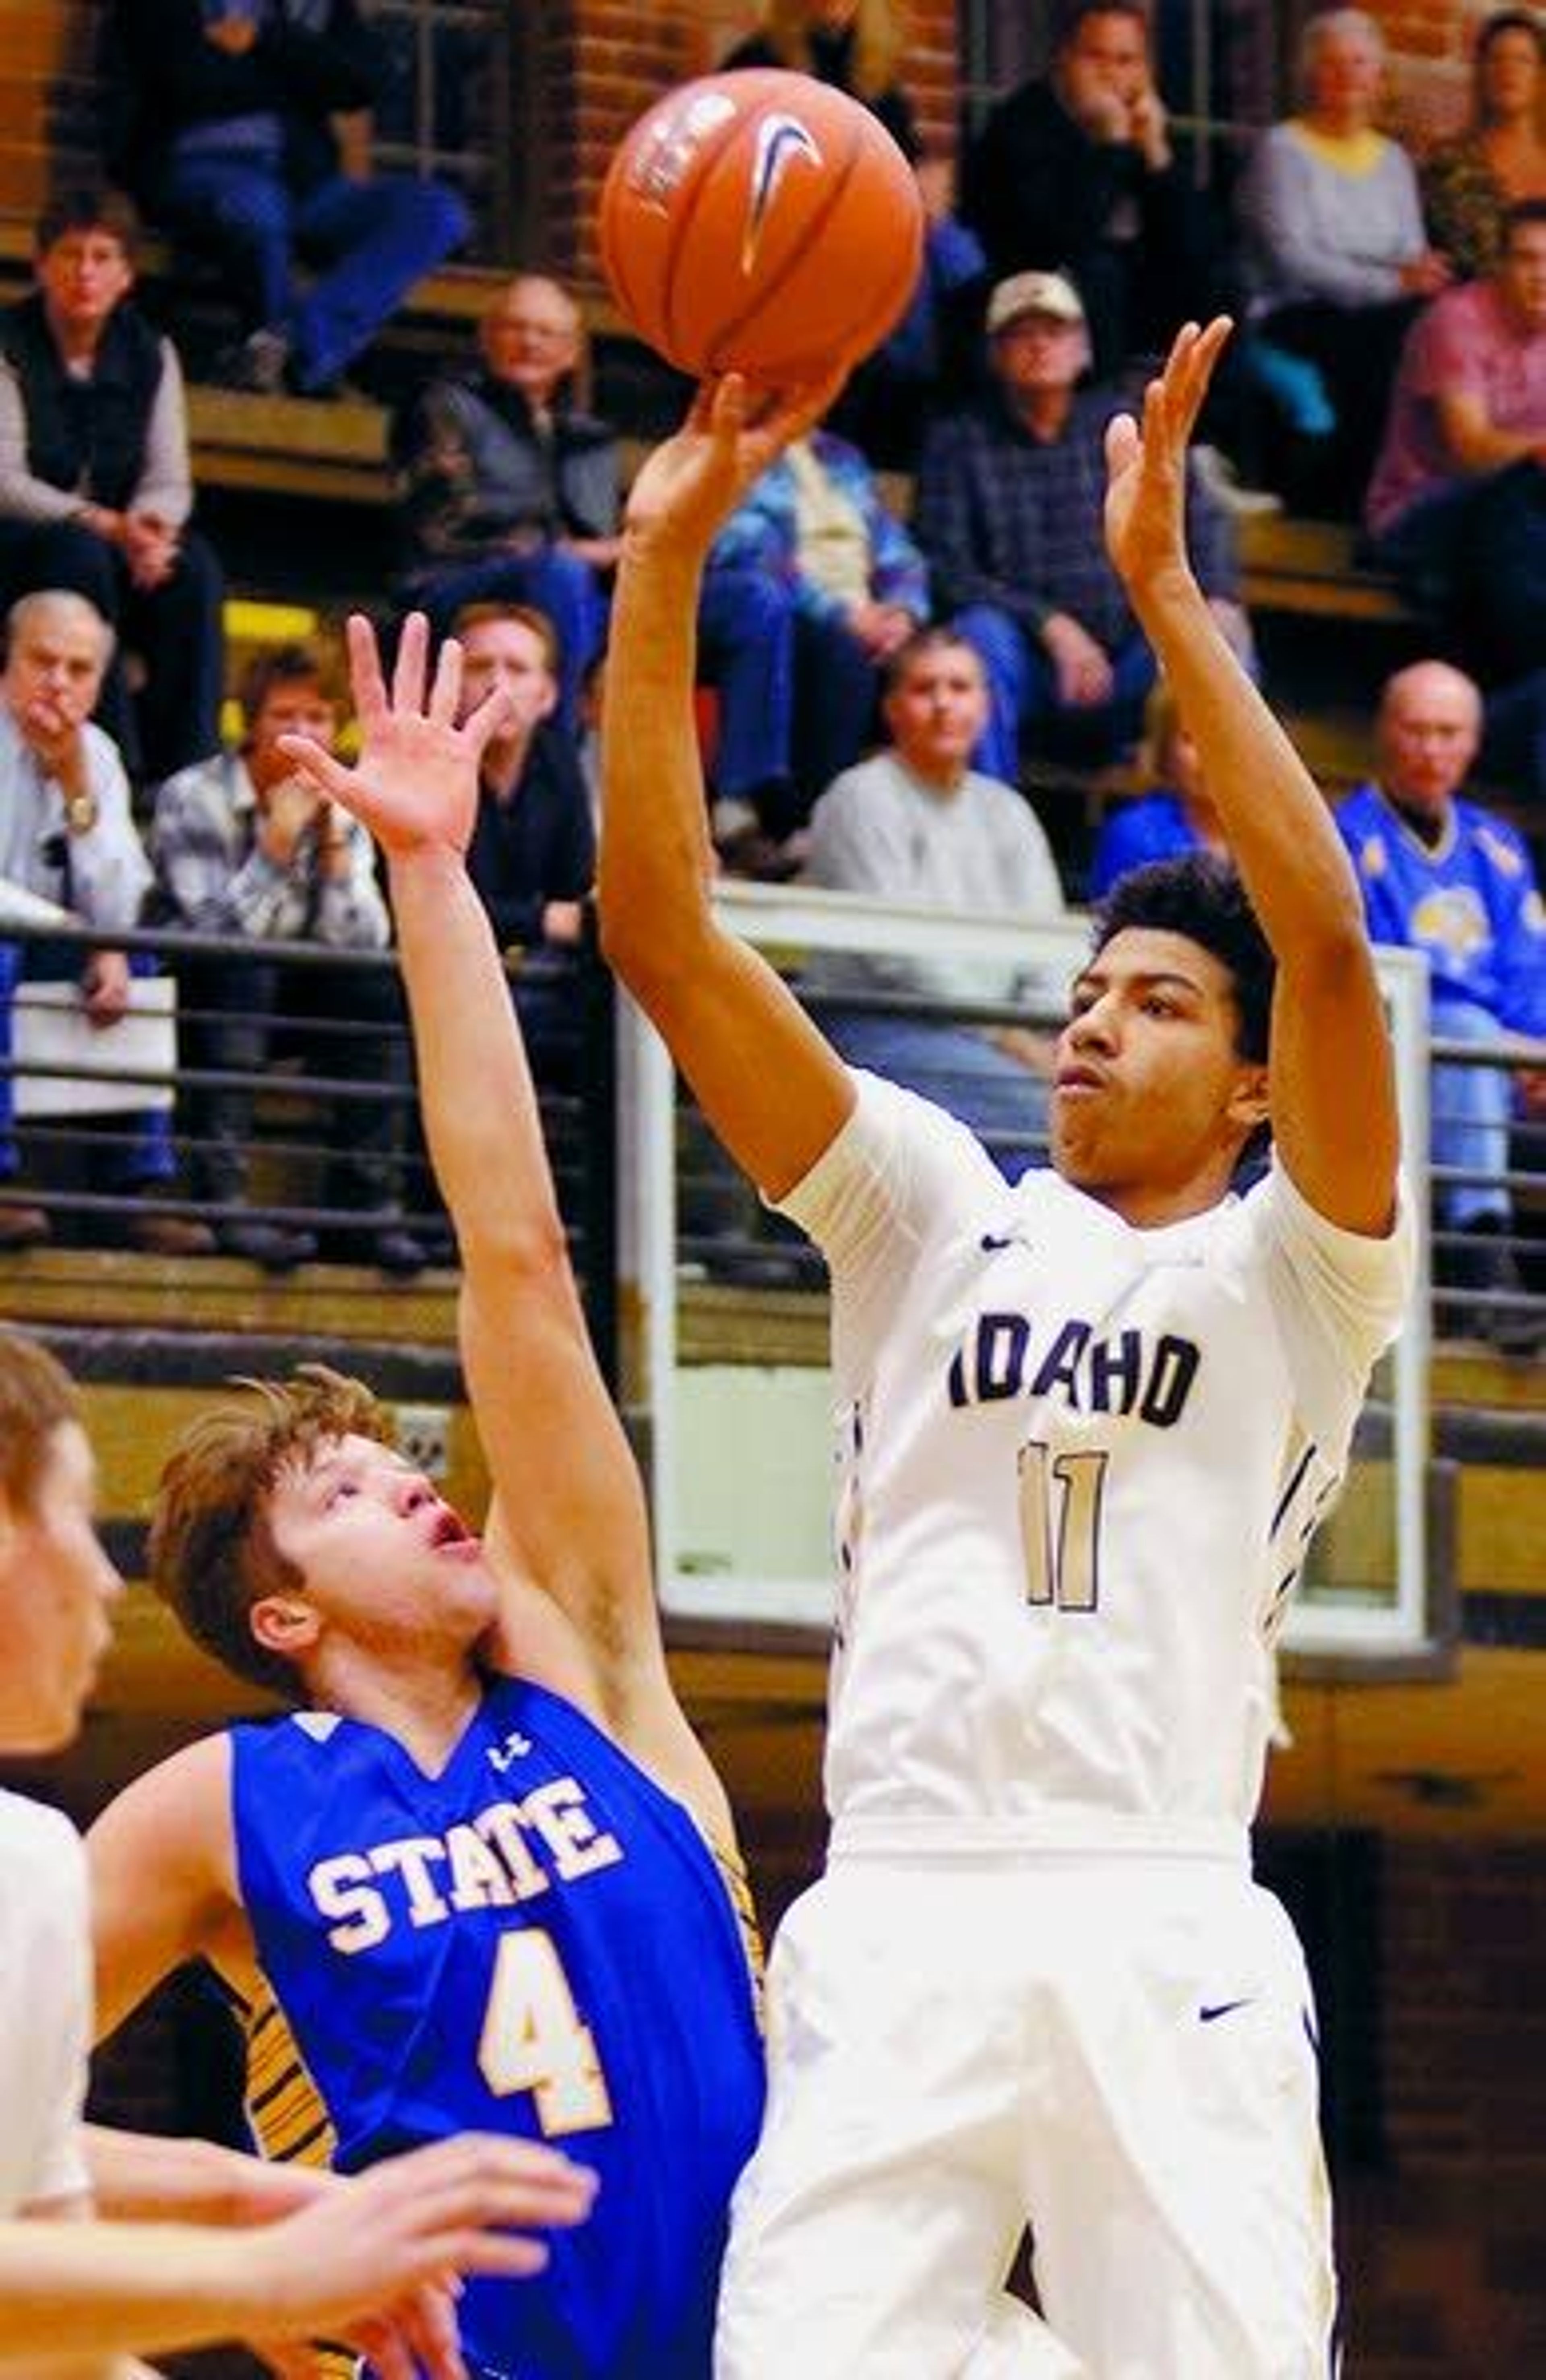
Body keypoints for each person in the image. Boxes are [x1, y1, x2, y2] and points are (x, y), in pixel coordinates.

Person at [597, 323, 1413, 2376]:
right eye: (1082, 989)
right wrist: (663, 567)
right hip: (905, 1896)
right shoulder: (926, 1203)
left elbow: (1322, 941)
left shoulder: (1298, 1278)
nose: (1087, 1023)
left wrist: (1160, 595)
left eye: (1150, 1003)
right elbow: (667, 935)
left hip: (1160, 1910)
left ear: (1249, 1091)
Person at [88, 612, 766, 2380]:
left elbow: (517, 1256)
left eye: (400, 1459)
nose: (413, 1485)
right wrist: (226, 2274)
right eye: (348, 1490)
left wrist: (433, 875)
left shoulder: (591, 1667)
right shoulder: (217, 1805)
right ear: (282, 1609)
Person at [0, 1321, 597, 2377]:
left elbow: (34, 2199)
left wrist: (232, 2201)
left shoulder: (580, 1711)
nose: (104, 1579)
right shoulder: (209, 1804)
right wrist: (257, 2268)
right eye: (78, 1520)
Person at [147, 636, 427, 1275]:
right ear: (252, 722)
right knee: (246, 971)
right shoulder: (194, 796)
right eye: (284, 716)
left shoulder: (346, 804)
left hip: (298, 996)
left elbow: (360, 945)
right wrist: (275, 847)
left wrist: (329, 846)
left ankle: (366, 1210)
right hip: (200, 995)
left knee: (376, 991)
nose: (302, 734)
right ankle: (224, 1200)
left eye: (318, 717)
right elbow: (208, 938)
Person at [915, 268, 1246, 780]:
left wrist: (1220, 598)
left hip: (1137, 661)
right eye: (1021, 334)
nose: (1040, 345)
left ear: (1084, 348)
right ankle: (986, 819)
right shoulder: (958, 443)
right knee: (976, 637)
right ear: (995, 355)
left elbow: (1201, 519)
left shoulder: (1125, 424)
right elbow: (945, 569)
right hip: (1030, 669)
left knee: (1224, 640)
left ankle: (1208, 842)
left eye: (1055, 331)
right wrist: (1050, 625)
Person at [1335, 659, 1546, 1355]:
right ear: (1384, 733)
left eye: (1448, 732)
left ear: (1474, 742)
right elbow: (1375, 974)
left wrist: (1532, 1043)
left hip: (1506, 1058)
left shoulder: (1498, 846)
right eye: (1417, 730)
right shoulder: (1344, 837)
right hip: (1404, 1066)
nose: (1432, 749)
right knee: (1463, 1027)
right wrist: (1499, 1041)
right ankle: (1482, 1268)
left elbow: (1530, 965)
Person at [801, 625, 1065, 1173]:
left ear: (986, 706)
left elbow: (1050, 949)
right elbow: (895, 958)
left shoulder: (1008, 812)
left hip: (1002, 1038)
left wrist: (1049, 1037)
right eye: (925, 689)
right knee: (1043, 1123)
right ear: (894, 708)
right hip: (878, 1026)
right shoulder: (861, 798)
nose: (944, 704)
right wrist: (1010, 1039)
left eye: (960, 688)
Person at [105, 0, 469, 397]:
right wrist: (303, 76)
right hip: (199, 170)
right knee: (258, 207)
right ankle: (288, 359)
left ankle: (290, 347)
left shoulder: (310, 9)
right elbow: (188, 82)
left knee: (438, 213)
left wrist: (268, 39)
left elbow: (364, 81)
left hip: (308, 188)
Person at [0, 589, 211, 1257]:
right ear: (9, 661)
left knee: (139, 961)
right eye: (44, 661)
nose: (59, 682)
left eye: (80, 669)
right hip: (14, 941)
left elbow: (121, 895)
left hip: (50, 941)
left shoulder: (97, 753)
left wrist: (75, 785)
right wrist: (81, 930)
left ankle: (131, 1188)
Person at [0, 190, 223, 786]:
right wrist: (103, 523)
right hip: (24, 541)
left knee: (193, 568)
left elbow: (169, 477)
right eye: (72, 255)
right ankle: (112, 758)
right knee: (79, 554)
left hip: (120, 542)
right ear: (43, 264)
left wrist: (152, 530)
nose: (86, 272)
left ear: (126, 275)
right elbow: (6, 480)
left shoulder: (152, 352)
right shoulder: (7, 342)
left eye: (103, 257)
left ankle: (188, 772)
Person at [1234, 7, 1451, 513]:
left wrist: (1416, 278)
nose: (1347, 75)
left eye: (1359, 63)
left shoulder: (1394, 161)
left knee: (1429, 326)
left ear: (1378, 77)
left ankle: (1407, 499)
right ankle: (1352, 503)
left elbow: (1410, 253)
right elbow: (1293, 259)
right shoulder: (1283, 150)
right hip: (1295, 315)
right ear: (1311, 74)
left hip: (1374, 317)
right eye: (1332, 63)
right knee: (1393, 341)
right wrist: (1392, 284)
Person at [393, 273, 619, 731]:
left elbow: (598, 538)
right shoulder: (446, 406)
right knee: (561, 572)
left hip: (568, 589)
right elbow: (443, 525)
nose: (530, 342)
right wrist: (561, 549)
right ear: (487, 337)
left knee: (748, 602)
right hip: (453, 581)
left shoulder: (587, 438)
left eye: (546, 332)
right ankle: (559, 746)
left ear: (572, 351)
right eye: (515, 327)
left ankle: (746, 790)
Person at [702, 415, 930, 861]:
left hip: (864, 614)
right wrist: (841, 613)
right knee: (838, 651)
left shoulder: (842, 457)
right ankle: (807, 821)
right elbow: (747, 549)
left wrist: (902, 612)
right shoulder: (733, 444)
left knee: (953, 658)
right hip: (789, 607)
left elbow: (896, 551)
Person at [960, 0, 1219, 381]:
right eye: (1095, 57)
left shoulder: (1144, 128)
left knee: (1221, 285)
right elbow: (1056, 241)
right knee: (1101, 272)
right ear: (1064, 59)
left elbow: (1195, 251)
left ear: (1145, 71)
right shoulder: (1022, 125)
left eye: (1126, 60)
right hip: (1028, 287)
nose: (1110, 74)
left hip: (1129, 301)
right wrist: (1111, 148)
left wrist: (1159, 157)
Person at [1364, 198, 1546, 683]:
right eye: (1527, 259)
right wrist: (1537, 449)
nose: (1541, 276)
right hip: (1419, 511)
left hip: (1516, 523)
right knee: (1516, 501)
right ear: (1500, 264)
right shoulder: (1456, 321)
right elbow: (1470, 449)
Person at [454, 600, 596, 1094]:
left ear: (548, 695)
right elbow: (426, 906)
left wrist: (547, 922)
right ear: (449, 682)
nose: (497, 684)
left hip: (534, 980)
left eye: (516, 669)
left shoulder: (560, 767)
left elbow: (578, 894)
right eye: (478, 667)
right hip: (442, 979)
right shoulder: (427, 760)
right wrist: (541, 920)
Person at [1422, 9, 1546, 283]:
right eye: (1496, 59)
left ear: (1541, 76)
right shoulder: (1448, 165)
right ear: (1481, 72)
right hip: (1471, 319)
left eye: (1523, 60)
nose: (1508, 70)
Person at [1086, 676, 1227, 898]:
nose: (1208, 756)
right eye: (1190, 739)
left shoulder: (1270, 839)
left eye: (1220, 738)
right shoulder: (1133, 835)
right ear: (1165, 752)